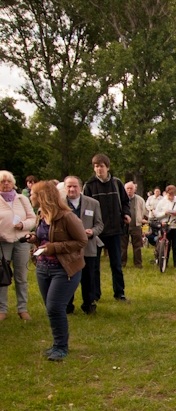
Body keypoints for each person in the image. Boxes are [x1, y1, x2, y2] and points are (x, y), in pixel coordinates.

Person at [25, 181, 87, 361]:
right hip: (43, 268)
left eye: (33, 194)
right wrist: (34, 238)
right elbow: (44, 236)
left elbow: (81, 241)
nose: (30, 197)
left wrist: (54, 247)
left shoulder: (67, 217)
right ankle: (56, 344)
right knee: (51, 308)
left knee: (55, 307)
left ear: (42, 197)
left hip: (64, 269)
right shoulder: (41, 214)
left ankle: (61, 347)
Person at [83, 154, 130, 303]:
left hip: (115, 230)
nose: (99, 169)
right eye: (96, 166)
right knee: (94, 265)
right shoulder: (89, 185)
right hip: (96, 232)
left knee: (116, 264)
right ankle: (95, 295)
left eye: (101, 166)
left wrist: (126, 214)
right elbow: (85, 207)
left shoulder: (116, 183)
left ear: (107, 167)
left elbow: (125, 202)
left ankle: (119, 293)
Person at [63, 176, 103, 315]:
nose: (72, 189)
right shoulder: (59, 204)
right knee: (67, 278)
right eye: (69, 186)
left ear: (80, 187)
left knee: (88, 278)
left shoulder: (93, 203)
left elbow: (99, 224)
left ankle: (89, 305)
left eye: (75, 186)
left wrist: (92, 232)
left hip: (88, 247)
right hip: (67, 249)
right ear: (65, 188)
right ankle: (67, 306)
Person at [0, 170, 36, 322]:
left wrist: (23, 225)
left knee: (21, 277)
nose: (6, 184)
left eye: (9, 181)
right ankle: (2, 309)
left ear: (13, 183)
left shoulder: (22, 199)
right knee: (2, 276)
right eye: (3, 181)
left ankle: (22, 308)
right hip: (2, 243)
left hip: (21, 241)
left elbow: (32, 218)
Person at [154, 185, 176, 269]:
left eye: (173, 195)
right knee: (165, 244)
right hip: (165, 225)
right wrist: (164, 213)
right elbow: (156, 214)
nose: (171, 197)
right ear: (167, 194)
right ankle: (164, 261)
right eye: (170, 195)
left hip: (175, 225)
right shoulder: (162, 202)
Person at [121, 181, 146, 268]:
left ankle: (138, 263)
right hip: (124, 225)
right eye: (127, 188)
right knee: (123, 246)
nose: (129, 190)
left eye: (131, 188)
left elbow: (143, 210)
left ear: (134, 190)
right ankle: (122, 263)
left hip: (136, 225)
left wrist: (140, 219)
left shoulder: (139, 199)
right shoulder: (121, 199)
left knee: (137, 246)